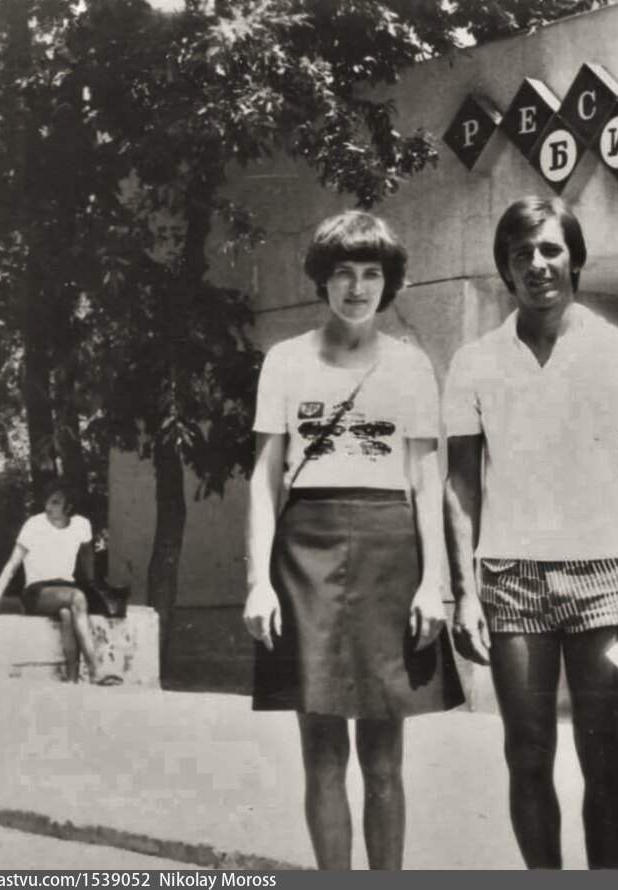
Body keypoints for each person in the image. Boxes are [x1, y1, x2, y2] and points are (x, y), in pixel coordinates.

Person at [443, 196, 618, 870]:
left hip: (604, 578)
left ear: (575, 258)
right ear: (505, 269)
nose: (538, 264)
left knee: (605, 750)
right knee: (527, 752)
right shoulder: (475, 361)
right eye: (522, 254)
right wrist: (465, 592)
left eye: (550, 249)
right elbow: (460, 482)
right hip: (511, 579)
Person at [242, 210, 450, 870]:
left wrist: (435, 583)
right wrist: (258, 582)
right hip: (305, 552)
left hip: (390, 549)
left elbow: (426, 477)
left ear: (389, 283)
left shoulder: (411, 365)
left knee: (384, 758)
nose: (357, 288)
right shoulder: (285, 360)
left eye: (371, 274)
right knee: (323, 753)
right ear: (321, 280)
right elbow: (264, 478)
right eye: (342, 273)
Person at [0, 480, 119, 685]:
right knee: (77, 598)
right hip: (36, 592)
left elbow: (87, 556)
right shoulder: (34, 525)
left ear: (68, 507)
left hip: (65, 589)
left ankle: (72, 680)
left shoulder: (81, 525)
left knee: (67, 613)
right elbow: (11, 567)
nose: (48, 507)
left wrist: (92, 583)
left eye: (55, 502)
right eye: (48, 501)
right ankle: (95, 670)